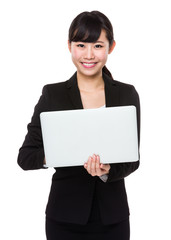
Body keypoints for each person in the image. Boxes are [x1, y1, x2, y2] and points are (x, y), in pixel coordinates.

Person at [18, 10, 140, 240]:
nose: (89, 54)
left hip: (112, 218)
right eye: (81, 45)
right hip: (64, 218)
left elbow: (133, 159)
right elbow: (25, 157)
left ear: (111, 47)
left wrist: (107, 172)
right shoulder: (52, 94)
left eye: (98, 45)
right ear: (69, 46)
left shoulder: (126, 94)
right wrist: (57, 154)